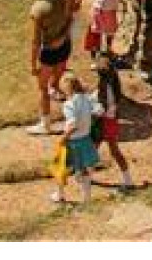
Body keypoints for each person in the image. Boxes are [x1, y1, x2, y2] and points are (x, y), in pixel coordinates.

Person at [27, 0, 75, 134]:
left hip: (48, 51)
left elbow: (35, 41)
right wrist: (64, 35)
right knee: (58, 77)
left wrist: (33, 65)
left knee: (42, 89)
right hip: (65, 44)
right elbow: (70, 16)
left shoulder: (38, 9)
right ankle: (72, 112)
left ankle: (45, 125)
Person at [51, 72, 101, 204]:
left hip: (73, 141)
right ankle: (87, 199)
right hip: (85, 139)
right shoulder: (87, 98)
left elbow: (72, 124)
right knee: (84, 171)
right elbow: (98, 110)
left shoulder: (69, 104)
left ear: (67, 88)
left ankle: (59, 194)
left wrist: (64, 137)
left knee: (61, 167)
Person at [93, 51, 136, 192]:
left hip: (105, 120)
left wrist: (93, 110)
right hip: (112, 119)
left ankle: (83, 174)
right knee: (108, 149)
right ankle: (128, 179)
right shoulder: (113, 79)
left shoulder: (104, 84)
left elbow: (104, 104)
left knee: (95, 147)